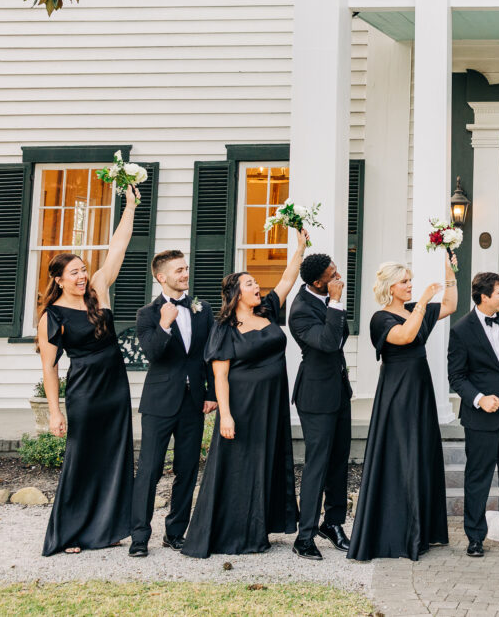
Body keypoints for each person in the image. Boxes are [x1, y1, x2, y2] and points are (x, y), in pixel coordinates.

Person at [182, 230, 304, 558]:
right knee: (239, 465)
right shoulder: (224, 329)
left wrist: (300, 248)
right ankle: (234, 530)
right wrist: (226, 414)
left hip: (271, 404)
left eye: (255, 283)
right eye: (249, 283)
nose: (256, 287)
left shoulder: (266, 311)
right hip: (242, 405)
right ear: (236, 293)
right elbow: (220, 377)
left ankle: (261, 524)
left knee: (268, 460)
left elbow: (287, 279)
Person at [37, 185, 140, 556]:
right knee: (82, 461)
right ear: (59, 280)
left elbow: (118, 248)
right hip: (84, 392)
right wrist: (54, 411)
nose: (82, 277)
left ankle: (107, 529)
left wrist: (129, 206)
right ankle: (71, 533)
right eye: (74, 273)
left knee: (115, 458)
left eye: (82, 270)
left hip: (115, 389)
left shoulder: (99, 290)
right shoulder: (53, 315)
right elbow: (50, 369)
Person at [348, 261, 457, 561]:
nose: (410, 285)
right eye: (404, 282)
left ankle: (424, 530)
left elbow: (449, 303)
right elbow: (406, 336)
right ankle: (397, 531)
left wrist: (448, 268)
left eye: (410, 280)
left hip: (420, 388)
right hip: (397, 391)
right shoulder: (380, 318)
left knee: (421, 452)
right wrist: (421, 300)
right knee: (401, 454)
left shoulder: (414, 310)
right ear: (390, 287)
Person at [129, 248, 216, 557]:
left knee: (187, 469)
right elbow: (153, 353)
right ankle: (139, 536)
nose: (185, 274)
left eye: (186, 268)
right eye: (179, 270)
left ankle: (175, 533)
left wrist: (211, 393)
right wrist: (165, 324)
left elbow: (208, 353)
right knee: (150, 470)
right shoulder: (147, 314)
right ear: (161, 276)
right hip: (159, 403)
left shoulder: (201, 309)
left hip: (193, 402)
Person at [447, 271, 499, 558]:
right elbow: (456, 377)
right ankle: (475, 537)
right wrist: (480, 400)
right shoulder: (461, 330)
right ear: (484, 297)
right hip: (481, 418)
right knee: (478, 476)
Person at [287, 251, 353, 560]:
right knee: (317, 464)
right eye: (332, 276)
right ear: (317, 282)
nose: (338, 279)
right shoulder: (300, 310)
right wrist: (336, 303)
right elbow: (328, 343)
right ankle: (305, 536)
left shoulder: (328, 298)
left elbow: (341, 337)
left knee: (339, 460)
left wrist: (335, 303)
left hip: (339, 391)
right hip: (315, 396)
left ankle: (334, 523)